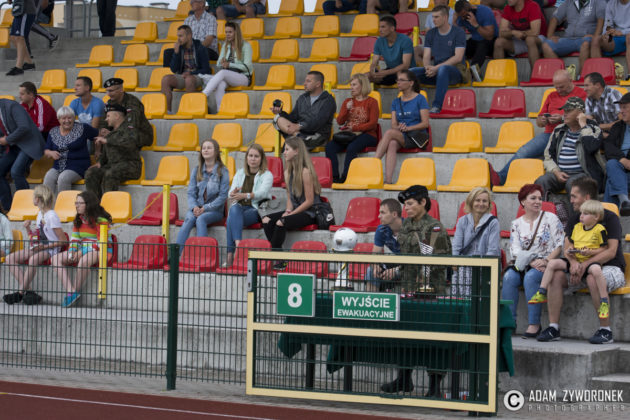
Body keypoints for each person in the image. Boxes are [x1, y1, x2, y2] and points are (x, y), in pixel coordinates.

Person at [536, 177, 625, 344]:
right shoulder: (575, 218)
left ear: (587, 198)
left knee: (592, 278)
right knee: (555, 275)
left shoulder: (610, 217)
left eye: (574, 196)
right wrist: (574, 263)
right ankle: (554, 328)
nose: (571, 200)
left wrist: (584, 264)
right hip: (580, 267)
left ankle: (605, 331)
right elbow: (567, 246)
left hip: (610, 268)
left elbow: (611, 251)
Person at [381, 185, 451, 396]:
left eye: (410, 204)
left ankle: (434, 387)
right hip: (408, 289)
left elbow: (441, 261)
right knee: (405, 337)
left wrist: (423, 276)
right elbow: (405, 258)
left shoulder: (434, 227)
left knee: (433, 341)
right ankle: (404, 379)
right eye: (405, 205)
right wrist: (396, 270)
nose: (406, 208)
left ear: (423, 203)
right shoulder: (406, 226)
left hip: (431, 292)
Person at [493, 70, 587, 185]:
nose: (558, 90)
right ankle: (500, 178)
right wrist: (542, 120)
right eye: (556, 87)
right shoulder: (551, 96)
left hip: (571, 133)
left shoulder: (582, 94)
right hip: (549, 133)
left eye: (561, 87)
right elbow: (539, 122)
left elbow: (585, 117)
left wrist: (562, 119)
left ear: (570, 81)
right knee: (523, 152)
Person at [500, 184, 564, 338]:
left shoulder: (551, 218)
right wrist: (531, 261)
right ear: (523, 201)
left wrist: (546, 260)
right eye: (533, 198)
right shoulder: (516, 223)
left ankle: (534, 324)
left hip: (546, 263)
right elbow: (515, 250)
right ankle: (509, 323)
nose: (537, 201)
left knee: (530, 277)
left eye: (540, 198)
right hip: (525, 263)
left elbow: (559, 245)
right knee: (509, 277)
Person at [529, 200, 611, 321]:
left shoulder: (600, 229)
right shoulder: (577, 227)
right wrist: (570, 250)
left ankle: (604, 301)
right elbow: (571, 244)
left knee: (597, 270)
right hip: (575, 259)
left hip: (589, 261)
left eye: (586, 214)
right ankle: (541, 291)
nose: (581, 216)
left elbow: (604, 248)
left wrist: (590, 251)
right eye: (581, 213)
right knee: (552, 263)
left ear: (596, 217)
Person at [263, 136, 322, 271]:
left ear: (296, 151)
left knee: (281, 222)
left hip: (309, 212)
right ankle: (278, 256)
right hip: (295, 210)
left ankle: (277, 259)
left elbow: (309, 201)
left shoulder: (305, 172)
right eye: (284, 149)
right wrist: (288, 211)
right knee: (266, 220)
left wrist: (290, 215)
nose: (284, 152)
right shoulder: (287, 172)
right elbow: (290, 198)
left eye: (287, 149)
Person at [3, 185, 64, 306]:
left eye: (34, 196)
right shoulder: (40, 214)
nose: (32, 199)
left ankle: (20, 293)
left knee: (33, 259)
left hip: (51, 249)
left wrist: (44, 247)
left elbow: (63, 241)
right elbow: (36, 237)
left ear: (38, 198)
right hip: (40, 248)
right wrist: (27, 229)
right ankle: (29, 291)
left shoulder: (52, 216)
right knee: (10, 258)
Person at [535, 97, 605, 200]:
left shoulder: (593, 128)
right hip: (560, 173)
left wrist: (583, 125)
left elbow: (591, 147)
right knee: (541, 182)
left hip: (585, 175)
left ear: (581, 113)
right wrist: (556, 172)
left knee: (573, 185)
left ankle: (574, 211)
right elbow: (548, 156)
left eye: (569, 111)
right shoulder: (559, 130)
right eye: (564, 111)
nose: (565, 114)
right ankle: (546, 209)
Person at [52, 190, 113, 308]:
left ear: (89, 204)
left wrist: (82, 252)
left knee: (84, 261)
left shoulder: (102, 221)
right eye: (76, 203)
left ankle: (73, 292)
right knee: (55, 259)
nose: (76, 205)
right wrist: (72, 252)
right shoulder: (79, 219)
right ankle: (71, 292)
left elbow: (101, 243)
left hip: (102, 250)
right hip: (83, 249)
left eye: (80, 203)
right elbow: (75, 239)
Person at [374, 70, 429, 184]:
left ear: (411, 83)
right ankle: (388, 180)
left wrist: (409, 128)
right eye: (397, 80)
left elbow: (425, 123)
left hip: (416, 136)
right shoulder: (396, 102)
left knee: (389, 133)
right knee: (392, 143)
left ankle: (373, 164)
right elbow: (393, 124)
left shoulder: (420, 99)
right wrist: (399, 127)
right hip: (402, 135)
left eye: (401, 80)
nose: (398, 82)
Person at [176, 138, 229, 254]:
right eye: (203, 148)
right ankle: (175, 256)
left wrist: (205, 208)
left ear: (216, 151)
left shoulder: (223, 171)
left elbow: (222, 196)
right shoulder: (197, 170)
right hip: (197, 207)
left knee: (201, 219)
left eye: (209, 148)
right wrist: (194, 207)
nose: (205, 150)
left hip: (214, 211)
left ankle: (202, 256)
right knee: (189, 219)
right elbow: (191, 193)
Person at [410, 5, 466, 114]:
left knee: (443, 69)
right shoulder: (431, 33)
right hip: (436, 71)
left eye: (436, 17)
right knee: (411, 73)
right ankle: (413, 106)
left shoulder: (458, 32)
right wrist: (428, 68)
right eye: (432, 17)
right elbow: (426, 56)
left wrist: (436, 68)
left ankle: (437, 106)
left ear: (445, 17)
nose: (433, 20)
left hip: (455, 71)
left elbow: (458, 57)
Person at [224, 144, 273, 267]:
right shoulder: (240, 173)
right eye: (250, 155)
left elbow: (263, 193)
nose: (253, 159)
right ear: (246, 158)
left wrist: (245, 195)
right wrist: (233, 193)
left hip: (256, 209)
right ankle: (239, 245)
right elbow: (230, 194)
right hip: (239, 209)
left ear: (261, 158)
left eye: (256, 156)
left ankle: (230, 255)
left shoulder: (267, 174)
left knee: (231, 219)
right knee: (234, 210)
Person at [325, 73, 379, 184]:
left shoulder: (372, 102)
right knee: (329, 147)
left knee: (352, 147)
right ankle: (335, 177)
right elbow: (339, 121)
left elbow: (373, 124)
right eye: (351, 85)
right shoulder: (348, 101)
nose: (351, 87)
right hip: (350, 135)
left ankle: (346, 176)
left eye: (354, 85)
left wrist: (355, 127)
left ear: (362, 86)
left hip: (368, 134)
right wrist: (346, 109)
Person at [85, 103, 142, 198]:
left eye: (108, 116)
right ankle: (94, 204)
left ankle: (110, 204)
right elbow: (107, 152)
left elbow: (130, 143)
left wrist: (107, 140)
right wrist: (100, 162)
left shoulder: (130, 129)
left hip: (130, 166)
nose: (106, 119)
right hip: (113, 166)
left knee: (110, 174)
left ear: (116, 116)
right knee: (91, 173)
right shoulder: (111, 133)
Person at [451, 187, 501, 297]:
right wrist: (455, 261)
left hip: (485, 266)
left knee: (469, 274)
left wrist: (479, 265)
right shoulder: (462, 221)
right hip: (465, 264)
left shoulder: (493, 222)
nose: (481, 204)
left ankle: (472, 305)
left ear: (488, 204)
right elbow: (456, 245)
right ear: (471, 202)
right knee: (460, 273)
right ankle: (463, 304)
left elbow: (493, 250)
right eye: (477, 200)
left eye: (484, 201)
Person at [271, 71, 336, 151]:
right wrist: (281, 113)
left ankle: (299, 138)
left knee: (291, 147)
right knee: (278, 118)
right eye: (305, 81)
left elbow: (318, 122)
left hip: (317, 136)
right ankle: (299, 136)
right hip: (301, 133)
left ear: (318, 84)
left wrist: (299, 125)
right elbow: (293, 118)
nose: (304, 83)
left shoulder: (328, 100)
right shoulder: (302, 98)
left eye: (308, 81)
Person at [0, 98, 44, 210]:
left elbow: (24, 127)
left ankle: (26, 206)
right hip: (13, 146)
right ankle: (8, 209)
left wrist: (7, 139)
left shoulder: (11, 106)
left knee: (16, 172)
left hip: (29, 143)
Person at [541, 0, 606, 75]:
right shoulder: (568, 2)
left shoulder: (598, 1)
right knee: (546, 45)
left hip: (585, 38)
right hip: (568, 39)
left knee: (585, 44)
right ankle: (563, 76)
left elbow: (601, 20)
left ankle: (582, 76)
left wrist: (595, 36)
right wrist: (550, 36)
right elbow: (555, 18)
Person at [43, 106, 98, 193]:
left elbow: (98, 136)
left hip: (78, 165)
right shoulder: (53, 131)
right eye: (63, 118)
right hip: (58, 166)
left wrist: (98, 150)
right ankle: (47, 202)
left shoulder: (83, 128)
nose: (67, 121)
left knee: (63, 178)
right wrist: (50, 152)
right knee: (48, 177)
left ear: (74, 118)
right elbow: (46, 149)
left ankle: (64, 202)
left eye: (70, 118)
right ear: (58, 119)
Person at [202, 21, 253, 111]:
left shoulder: (246, 46)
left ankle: (203, 95)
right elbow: (218, 63)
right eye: (226, 32)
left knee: (222, 73)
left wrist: (229, 64)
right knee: (220, 84)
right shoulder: (225, 45)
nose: (227, 34)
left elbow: (247, 67)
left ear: (236, 33)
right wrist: (222, 62)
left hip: (244, 77)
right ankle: (220, 110)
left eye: (230, 32)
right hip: (229, 75)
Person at [162, 25, 211, 114]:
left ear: (189, 36)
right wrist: (176, 53)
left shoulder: (200, 48)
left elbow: (206, 69)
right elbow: (173, 69)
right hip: (183, 76)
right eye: (178, 36)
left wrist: (191, 73)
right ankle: (168, 111)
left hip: (198, 76)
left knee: (189, 79)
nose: (178, 39)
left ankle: (190, 110)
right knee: (166, 79)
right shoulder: (179, 48)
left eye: (181, 36)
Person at [493, 0, 547, 70]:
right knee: (498, 42)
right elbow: (501, 33)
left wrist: (520, 33)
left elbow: (535, 32)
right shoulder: (507, 8)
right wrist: (513, 32)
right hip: (520, 39)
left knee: (530, 40)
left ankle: (536, 74)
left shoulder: (533, 5)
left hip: (539, 39)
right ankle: (499, 74)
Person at [101, 78, 153, 150]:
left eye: (111, 91)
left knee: (126, 137)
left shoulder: (132, 102)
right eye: (107, 91)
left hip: (140, 133)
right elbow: (104, 120)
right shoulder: (110, 102)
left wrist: (112, 134)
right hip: (120, 132)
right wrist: (103, 129)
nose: (108, 94)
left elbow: (131, 125)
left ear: (121, 89)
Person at [454, 0, 499, 82]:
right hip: (476, 40)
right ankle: (459, 73)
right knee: (459, 47)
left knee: (482, 46)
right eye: (461, 16)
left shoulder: (485, 11)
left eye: (465, 16)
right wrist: (454, 22)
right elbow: (460, 36)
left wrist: (475, 25)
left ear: (471, 10)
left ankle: (471, 75)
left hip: (491, 41)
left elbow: (489, 36)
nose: (463, 18)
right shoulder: (461, 16)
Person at [365, 198, 403, 292]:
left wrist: (396, 270)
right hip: (399, 262)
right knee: (371, 271)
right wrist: (375, 266)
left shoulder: (409, 228)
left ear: (394, 214)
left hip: (412, 266)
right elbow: (374, 256)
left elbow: (415, 260)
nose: (379, 216)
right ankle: (371, 299)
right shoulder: (381, 230)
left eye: (383, 213)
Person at [368, 15, 415, 87]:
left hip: (406, 72)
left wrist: (386, 72)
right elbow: (374, 61)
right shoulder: (379, 41)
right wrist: (373, 70)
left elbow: (406, 65)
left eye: (383, 27)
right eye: (379, 27)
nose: (380, 30)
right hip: (390, 71)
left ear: (392, 28)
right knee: (364, 77)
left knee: (401, 76)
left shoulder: (405, 40)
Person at [602, 92, 630, 214]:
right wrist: (623, 160)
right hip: (620, 169)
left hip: (622, 174)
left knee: (611, 181)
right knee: (612, 164)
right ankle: (624, 201)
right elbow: (608, 146)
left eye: (624, 107)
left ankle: (607, 217)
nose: (621, 111)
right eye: (620, 108)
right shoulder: (618, 126)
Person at [590, 0, 630, 81]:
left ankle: (629, 76)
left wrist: (622, 32)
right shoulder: (611, 4)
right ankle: (598, 79)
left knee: (629, 37)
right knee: (596, 40)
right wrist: (607, 33)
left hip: (627, 35)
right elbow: (608, 25)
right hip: (616, 37)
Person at [584, 72, 622, 137]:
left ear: (597, 85)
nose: (584, 89)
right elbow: (588, 122)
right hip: (601, 135)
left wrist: (601, 127)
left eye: (587, 85)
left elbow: (623, 121)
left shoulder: (613, 94)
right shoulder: (589, 99)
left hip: (618, 134)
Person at [6, 0, 37, 75]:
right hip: (19, 10)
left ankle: (19, 67)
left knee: (19, 37)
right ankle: (29, 63)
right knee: (13, 37)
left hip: (26, 10)